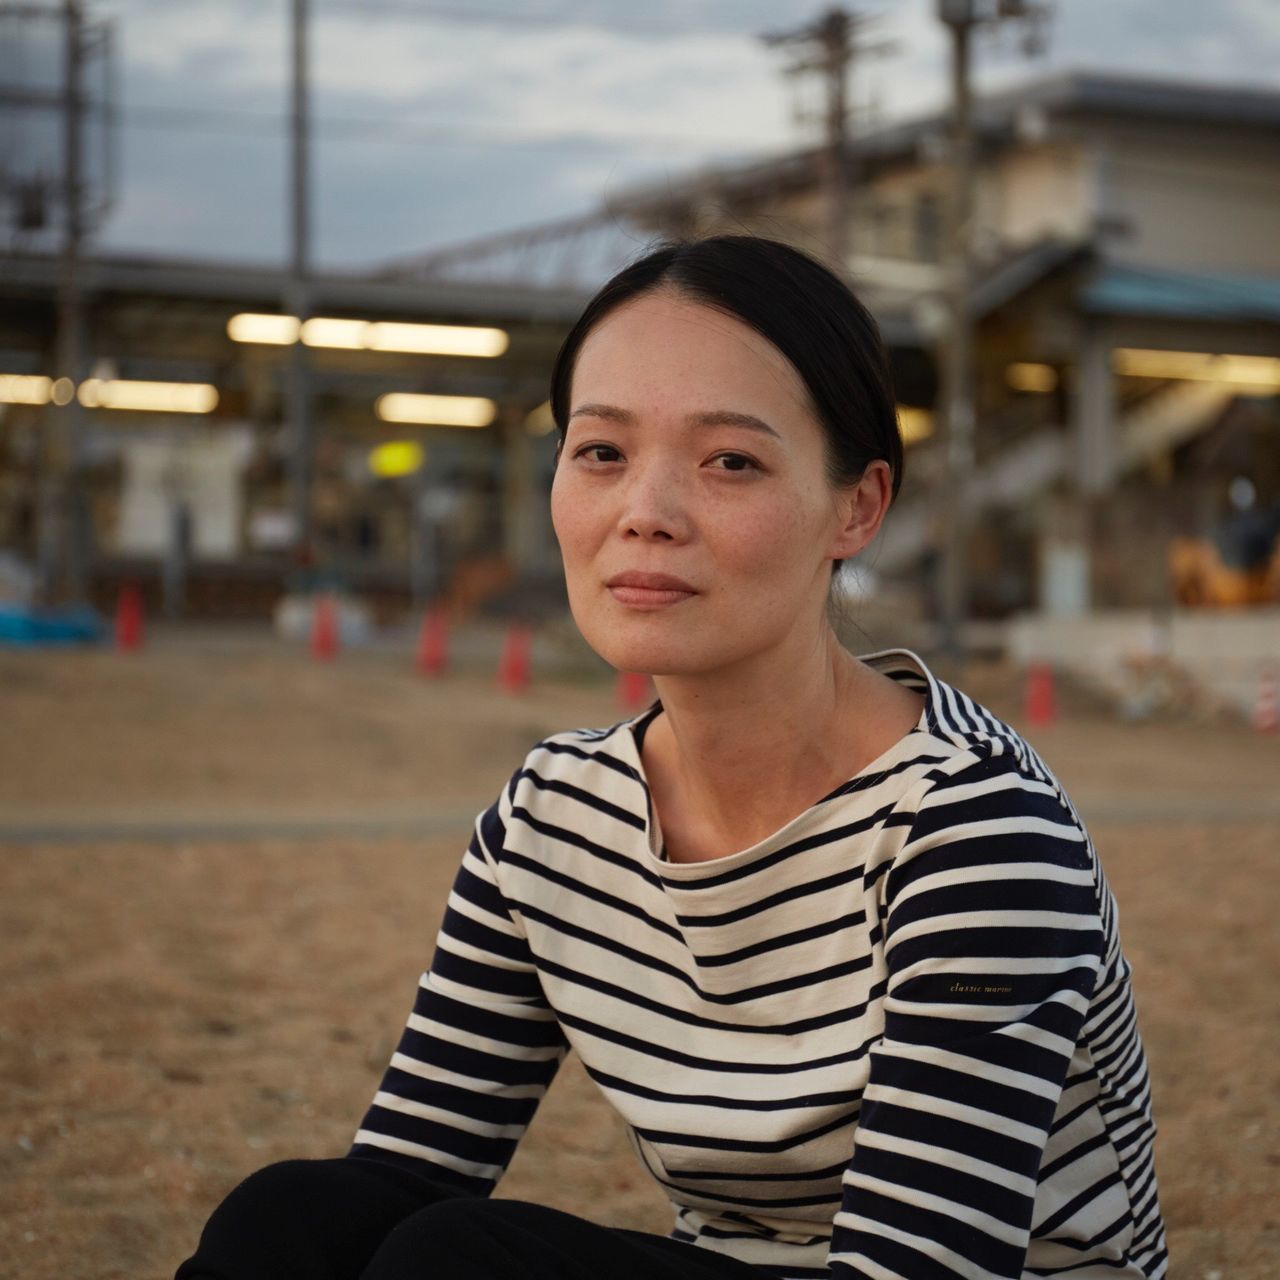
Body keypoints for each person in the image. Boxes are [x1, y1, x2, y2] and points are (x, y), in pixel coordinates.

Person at [175, 235, 1166, 1280]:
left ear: (856, 506)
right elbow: (408, 1170)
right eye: (600, 451)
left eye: (728, 460)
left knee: (455, 1261)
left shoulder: (970, 828)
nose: (643, 512)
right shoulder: (552, 816)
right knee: (286, 1220)